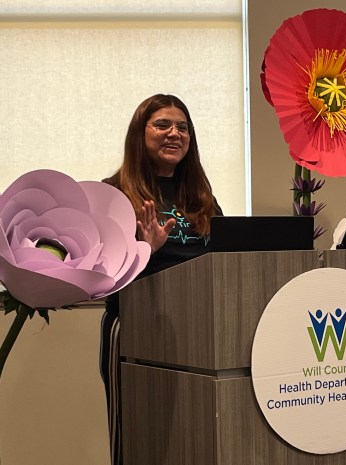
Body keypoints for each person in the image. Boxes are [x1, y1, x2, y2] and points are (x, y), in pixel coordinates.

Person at [99, 94, 222, 465]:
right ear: (141, 134)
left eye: (182, 127)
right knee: (138, 438)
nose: (174, 133)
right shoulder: (112, 192)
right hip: (135, 329)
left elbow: (219, 260)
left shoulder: (202, 197)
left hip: (198, 331)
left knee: (191, 434)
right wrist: (144, 251)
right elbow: (100, 275)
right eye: (162, 125)